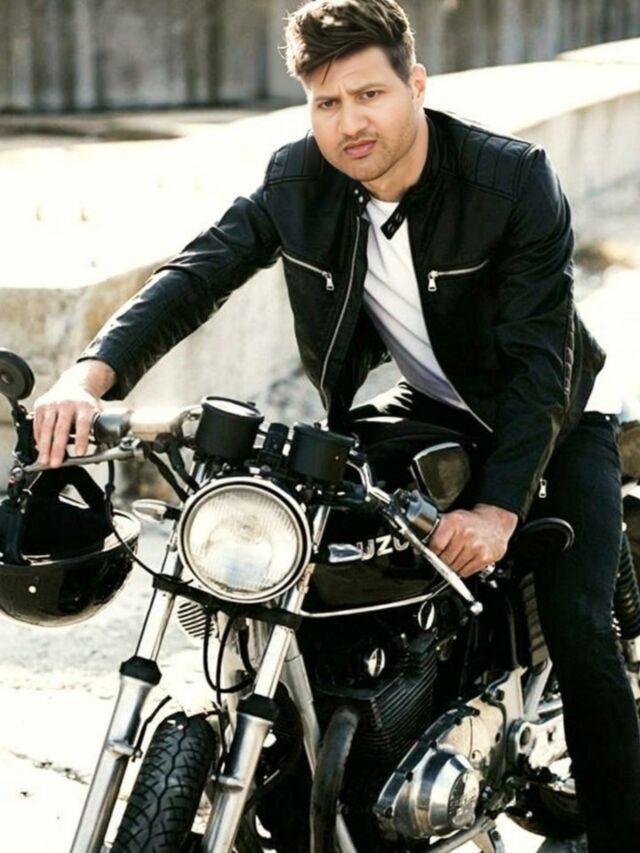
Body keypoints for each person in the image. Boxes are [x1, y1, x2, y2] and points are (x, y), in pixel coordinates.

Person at [33, 1, 640, 850]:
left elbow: (544, 361)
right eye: (326, 102)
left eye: (369, 94)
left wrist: (500, 508)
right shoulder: (299, 180)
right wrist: (87, 377)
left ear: (415, 84)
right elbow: (199, 273)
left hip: (554, 419)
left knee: (581, 630)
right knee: (315, 555)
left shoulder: (510, 179)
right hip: (423, 407)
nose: (350, 122)